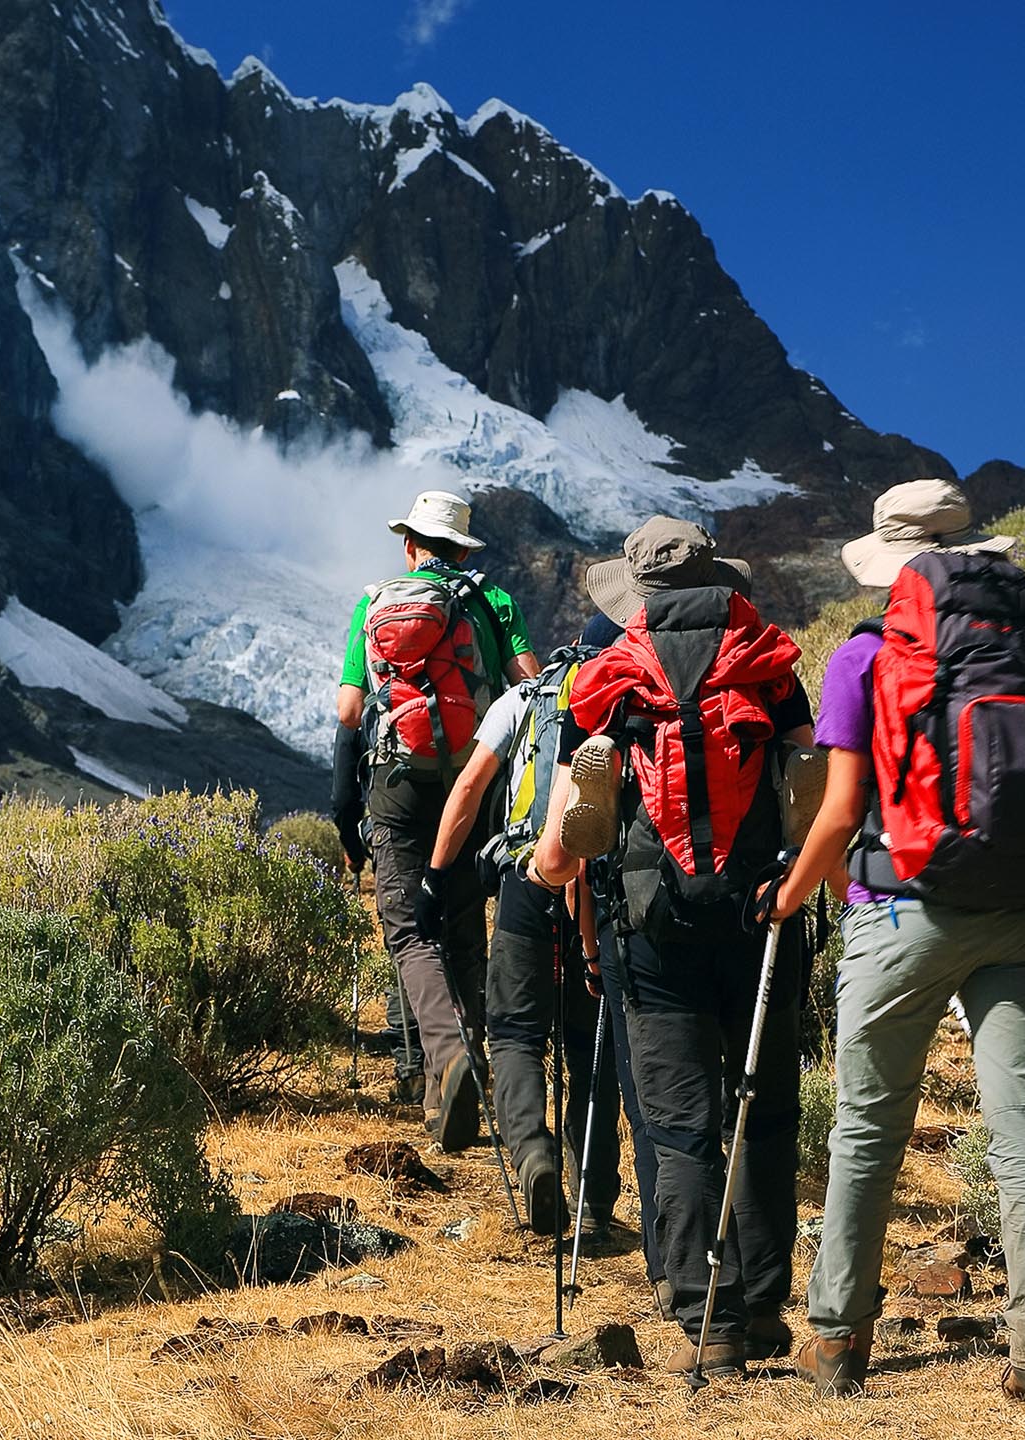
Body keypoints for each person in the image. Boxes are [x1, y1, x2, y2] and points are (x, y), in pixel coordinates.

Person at [768, 479, 1025, 1403]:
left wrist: (788, 894)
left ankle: (838, 1340)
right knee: (1024, 1127)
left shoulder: (864, 657)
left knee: (868, 1125)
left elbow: (844, 806)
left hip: (900, 913)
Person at [531, 516, 815, 1382]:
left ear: (638, 593)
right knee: (763, 1111)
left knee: (681, 1127)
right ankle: (764, 1303)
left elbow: (554, 859)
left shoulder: (609, 681)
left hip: (650, 926)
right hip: (764, 914)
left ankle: (708, 1321)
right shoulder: (771, 667)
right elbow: (809, 792)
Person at [334, 490, 541, 1148]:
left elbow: (347, 713)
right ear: (461, 549)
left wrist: (344, 811)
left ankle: (444, 1062)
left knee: (406, 934)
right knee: (458, 926)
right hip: (470, 786)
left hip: (396, 784)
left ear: (410, 546)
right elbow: (533, 689)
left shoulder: (374, 603)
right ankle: (459, 1087)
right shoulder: (492, 602)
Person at [427, 615, 628, 1236]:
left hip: (527, 879)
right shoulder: (628, 699)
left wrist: (437, 873)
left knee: (515, 1032)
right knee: (588, 1038)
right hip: (600, 887)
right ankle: (593, 1200)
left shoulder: (528, 695)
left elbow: (469, 785)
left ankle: (532, 1154)